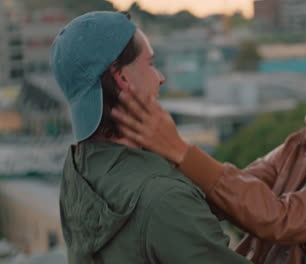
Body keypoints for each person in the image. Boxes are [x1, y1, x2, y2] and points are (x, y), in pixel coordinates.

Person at [112, 52, 306, 263]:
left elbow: (284, 220)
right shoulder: (300, 146)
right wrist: (157, 156)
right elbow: (230, 194)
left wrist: (180, 149)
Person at [50, 11, 251, 264]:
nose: (161, 78)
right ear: (122, 77)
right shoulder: (165, 197)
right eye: (151, 64)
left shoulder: (77, 171)